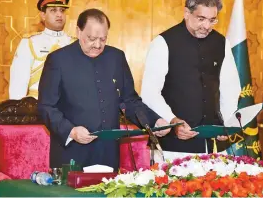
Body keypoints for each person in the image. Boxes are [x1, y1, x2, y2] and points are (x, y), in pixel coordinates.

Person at [37, 9, 170, 170]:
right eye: (91, 38)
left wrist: (155, 121)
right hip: (72, 152)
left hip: (108, 153)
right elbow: (46, 107)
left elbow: (129, 101)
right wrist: (71, 131)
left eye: (103, 39)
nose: (98, 45)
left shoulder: (116, 57)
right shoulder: (58, 60)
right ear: (78, 31)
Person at [141, 0, 241, 158]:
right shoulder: (163, 43)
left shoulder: (221, 43)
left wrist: (225, 122)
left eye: (212, 20)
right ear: (187, 13)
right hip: (171, 145)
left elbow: (230, 89)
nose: (206, 26)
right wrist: (172, 120)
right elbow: (149, 93)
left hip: (210, 144)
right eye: (201, 19)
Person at [9, 0, 75, 100]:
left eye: (62, 10)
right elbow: (18, 84)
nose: (59, 14)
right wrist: (18, 114)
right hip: (36, 108)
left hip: (67, 110)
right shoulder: (29, 42)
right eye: (53, 10)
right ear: (43, 15)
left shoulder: (75, 44)